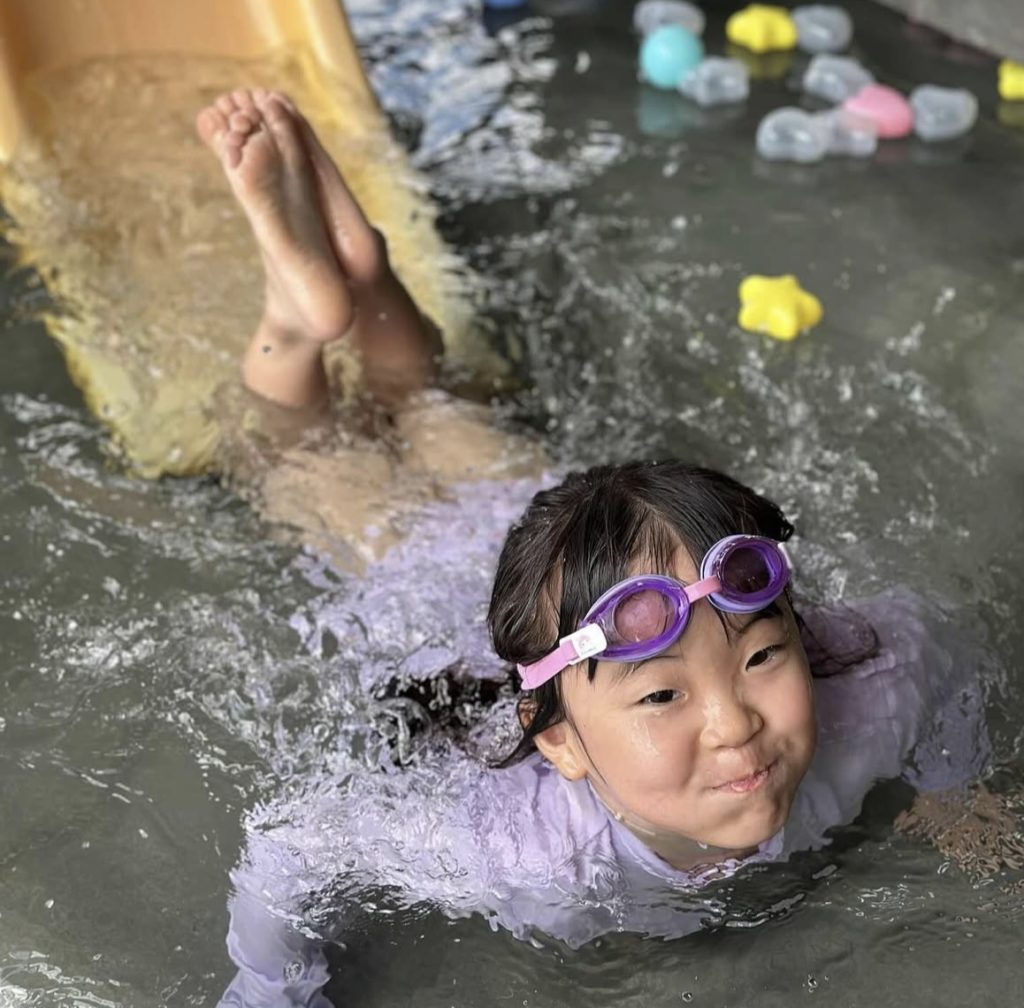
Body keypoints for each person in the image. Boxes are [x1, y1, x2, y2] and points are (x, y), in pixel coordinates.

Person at [197, 93, 1000, 1007]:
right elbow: (293, 848)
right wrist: (269, 987)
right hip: (415, 573)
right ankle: (296, 323)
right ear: (560, 744)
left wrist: (949, 784)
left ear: (798, 631)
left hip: (573, 556)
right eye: (662, 694)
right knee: (296, 453)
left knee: (430, 407)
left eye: (762, 657)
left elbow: (941, 638)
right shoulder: (528, 853)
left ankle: (359, 276)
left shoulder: (871, 700)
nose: (734, 724)